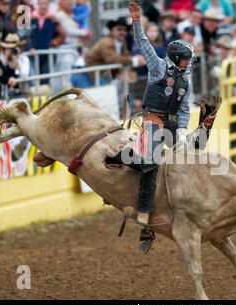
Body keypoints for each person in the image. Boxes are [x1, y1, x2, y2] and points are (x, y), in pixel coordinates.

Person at [113, 2, 196, 248]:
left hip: (171, 127)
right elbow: (143, 44)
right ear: (177, 58)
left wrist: (182, 132)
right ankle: (144, 210)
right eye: (186, 59)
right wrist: (137, 22)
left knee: (190, 160)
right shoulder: (158, 67)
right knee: (150, 163)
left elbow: (183, 108)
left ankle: (184, 207)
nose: (188, 63)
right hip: (152, 121)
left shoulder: (185, 81)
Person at [72, 17, 145, 88]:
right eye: (119, 29)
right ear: (112, 30)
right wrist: (135, 60)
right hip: (83, 72)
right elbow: (111, 59)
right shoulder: (107, 41)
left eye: (125, 30)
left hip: (92, 73)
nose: (122, 32)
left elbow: (126, 55)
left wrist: (136, 60)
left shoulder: (121, 42)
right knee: (85, 98)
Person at [30, 0, 65, 81]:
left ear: (49, 5)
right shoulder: (31, 19)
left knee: (46, 80)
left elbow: (61, 35)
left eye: (45, 4)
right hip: (33, 55)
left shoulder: (53, 20)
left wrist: (53, 42)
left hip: (48, 55)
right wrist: (29, 47)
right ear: (37, 5)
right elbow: (25, 35)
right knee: (33, 80)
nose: (43, 6)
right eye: (41, 4)